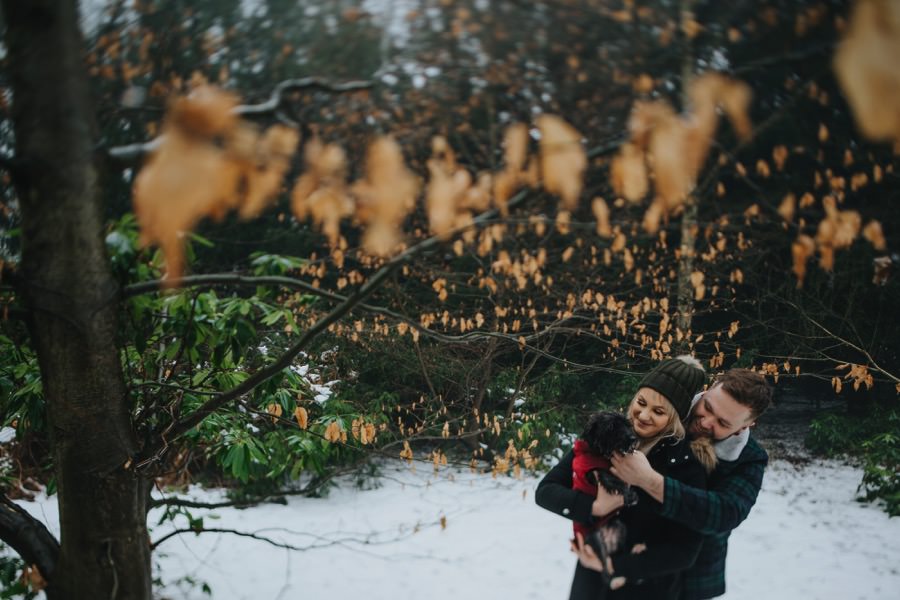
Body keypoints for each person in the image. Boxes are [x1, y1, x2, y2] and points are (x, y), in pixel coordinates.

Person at [536, 355, 714, 600]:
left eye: (658, 411)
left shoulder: (685, 465)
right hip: (590, 579)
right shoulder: (605, 434)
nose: (643, 415)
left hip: (645, 587)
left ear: (674, 418)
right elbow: (545, 491)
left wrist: (615, 567)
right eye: (641, 402)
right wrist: (594, 507)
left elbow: (684, 551)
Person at [606, 368, 773, 600]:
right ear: (708, 389)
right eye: (708, 407)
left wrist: (650, 481)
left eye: (722, 423)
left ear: (745, 426)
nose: (705, 422)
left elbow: (725, 512)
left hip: (692, 577)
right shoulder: (664, 408)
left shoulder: (749, 457)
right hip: (623, 553)